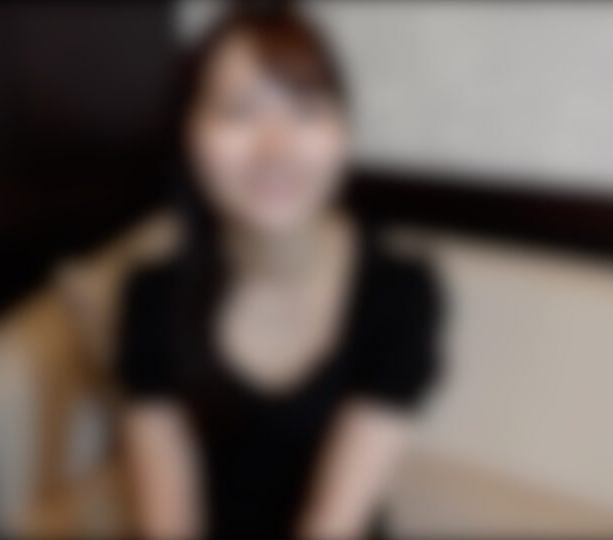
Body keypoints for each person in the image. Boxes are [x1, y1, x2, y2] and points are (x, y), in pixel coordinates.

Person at [116, 6, 442, 539]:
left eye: (307, 110)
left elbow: (333, 525)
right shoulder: (151, 296)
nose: (276, 148)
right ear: (188, 133)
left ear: (344, 133)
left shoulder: (400, 291)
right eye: (238, 111)